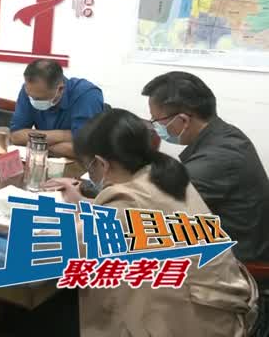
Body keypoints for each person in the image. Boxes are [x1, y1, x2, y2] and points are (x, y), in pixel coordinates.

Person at [43, 109, 261, 337]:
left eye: (90, 168)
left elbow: (60, 252)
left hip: (191, 324)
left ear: (101, 163)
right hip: (222, 311)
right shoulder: (165, 176)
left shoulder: (126, 202)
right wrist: (82, 203)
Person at [142, 71, 269, 263]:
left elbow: (152, 206)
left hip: (238, 263)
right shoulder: (224, 135)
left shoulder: (219, 158)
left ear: (183, 120)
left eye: (156, 120)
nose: (155, 127)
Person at [9, 59, 105, 158]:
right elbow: (16, 136)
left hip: (79, 164)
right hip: (44, 160)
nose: (33, 100)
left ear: (60, 89)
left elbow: (85, 148)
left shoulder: (87, 95)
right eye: (30, 96)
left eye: (38, 99)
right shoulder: (31, 89)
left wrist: (38, 145)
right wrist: (65, 135)